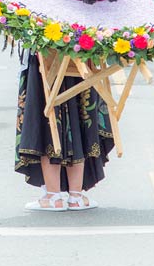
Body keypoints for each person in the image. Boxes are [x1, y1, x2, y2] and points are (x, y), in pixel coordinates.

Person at [15, 50, 113, 211]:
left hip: (49, 55)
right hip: (81, 54)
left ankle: (53, 196)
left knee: (48, 118)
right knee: (77, 118)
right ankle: (75, 196)